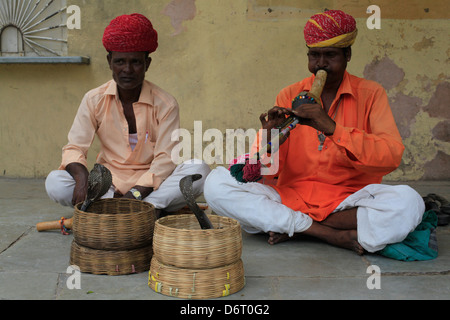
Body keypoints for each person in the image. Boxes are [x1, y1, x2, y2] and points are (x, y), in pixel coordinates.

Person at [204, 10, 424, 255]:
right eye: (314, 55)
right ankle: (325, 233)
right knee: (216, 184)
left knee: (410, 203)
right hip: (291, 195)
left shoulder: (371, 93)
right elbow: (266, 171)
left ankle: (293, 225)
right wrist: (269, 138)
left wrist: (331, 127)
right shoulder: (290, 95)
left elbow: (390, 156)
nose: (320, 64)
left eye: (330, 55)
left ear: (347, 55)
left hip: (347, 200)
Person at [46, 13, 210, 215]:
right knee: (55, 181)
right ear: (109, 62)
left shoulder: (166, 104)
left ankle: (135, 207)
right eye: (120, 61)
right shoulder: (93, 99)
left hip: (150, 186)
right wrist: (82, 180)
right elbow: (74, 147)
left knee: (199, 170)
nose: (127, 69)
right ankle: (143, 211)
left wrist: (135, 194)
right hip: (108, 184)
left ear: (147, 64)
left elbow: (166, 158)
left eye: (136, 62)